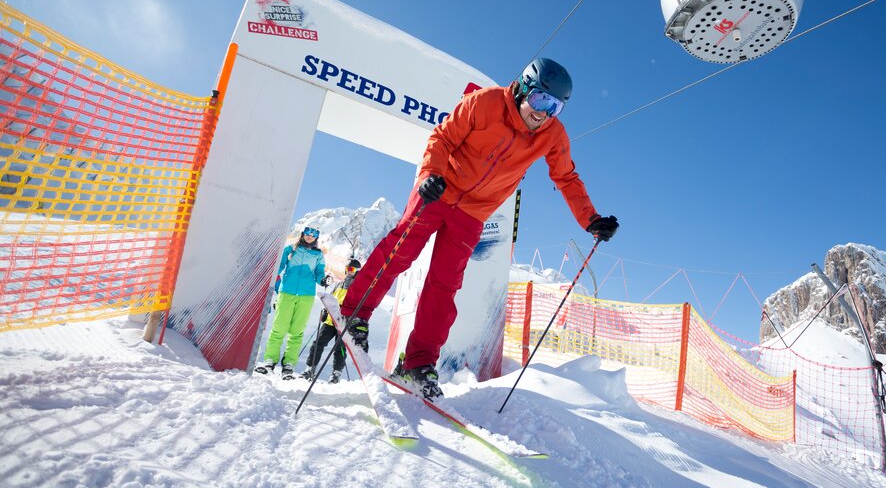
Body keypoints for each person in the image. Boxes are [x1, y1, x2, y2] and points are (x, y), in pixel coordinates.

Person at [339, 57, 619, 399]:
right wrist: (430, 175)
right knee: (400, 251)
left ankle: (417, 363)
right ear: (524, 89)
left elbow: (565, 177)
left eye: (555, 107)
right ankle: (355, 311)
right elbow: (442, 138)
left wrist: (590, 219)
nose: (544, 113)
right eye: (541, 100)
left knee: (444, 285)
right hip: (439, 190)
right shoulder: (484, 102)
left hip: (473, 213)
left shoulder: (552, 135)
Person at [255, 226, 331, 379]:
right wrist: (270, 279)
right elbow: (279, 266)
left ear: (316, 238)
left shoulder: (318, 255)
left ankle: (288, 364)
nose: (310, 237)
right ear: (303, 234)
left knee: (297, 331)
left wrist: (323, 279)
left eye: (313, 235)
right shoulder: (291, 249)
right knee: (279, 328)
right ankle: (270, 361)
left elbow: (319, 273)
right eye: (308, 234)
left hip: (306, 295)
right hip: (287, 292)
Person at [301, 258, 362, 383]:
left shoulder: (358, 287)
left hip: (344, 321)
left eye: (351, 269)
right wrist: (325, 310)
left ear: (357, 271)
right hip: (330, 320)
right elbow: (332, 298)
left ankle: (336, 373)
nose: (349, 272)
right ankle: (310, 369)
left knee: (340, 348)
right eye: (347, 269)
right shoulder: (340, 284)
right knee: (318, 342)